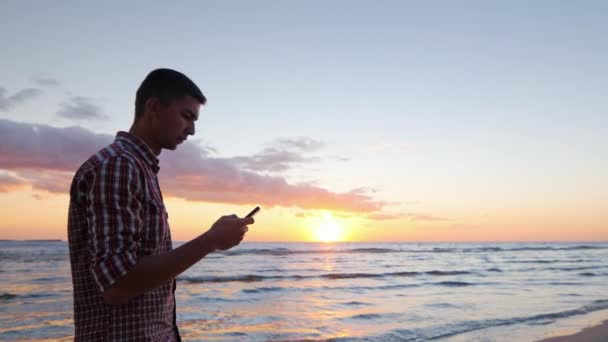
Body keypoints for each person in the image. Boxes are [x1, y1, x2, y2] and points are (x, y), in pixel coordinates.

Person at [67, 68, 254, 341]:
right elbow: (118, 284)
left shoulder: (139, 168)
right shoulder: (119, 165)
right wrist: (212, 240)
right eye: (186, 116)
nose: (192, 130)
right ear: (153, 107)